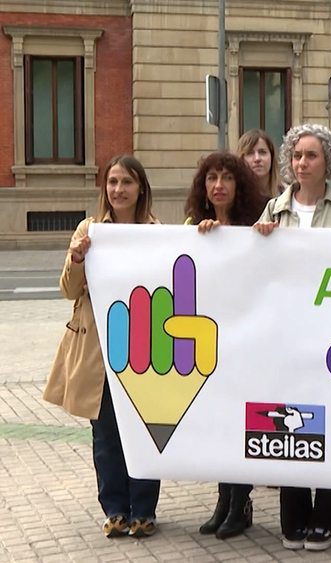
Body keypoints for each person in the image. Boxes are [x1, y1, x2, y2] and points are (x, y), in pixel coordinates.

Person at [253, 124, 331, 551]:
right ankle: (294, 516)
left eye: (311, 156)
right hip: (286, 339)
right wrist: (258, 237)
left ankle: (327, 519)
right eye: (297, 155)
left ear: (328, 162)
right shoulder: (272, 210)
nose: (302, 163)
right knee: (291, 424)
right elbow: (256, 271)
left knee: (330, 421)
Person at [42, 156, 161, 539]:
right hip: (99, 347)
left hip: (144, 347)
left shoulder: (157, 232)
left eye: (126, 182)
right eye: (112, 182)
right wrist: (77, 259)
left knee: (145, 430)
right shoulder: (90, 230)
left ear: (140, 188)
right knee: (107, 434)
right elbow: (68, 290)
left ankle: (143, 511)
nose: (118, 189)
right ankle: (115, 510)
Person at [183, 151, 268, 539]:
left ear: (239, 186)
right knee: (219, 423)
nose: (218, 185)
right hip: (210, 342)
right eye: (211, 178)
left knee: (241, 422)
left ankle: (241, 501)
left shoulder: (257, 228)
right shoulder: (193, 228)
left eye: (227, 178)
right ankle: (223, 499)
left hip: (247, 343)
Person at [236, 129, 281, 197]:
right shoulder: (233, 198)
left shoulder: (287, 195)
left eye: (262, 152)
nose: (257, 159)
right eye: (250, 153)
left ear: (272, 157)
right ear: (241, 159)